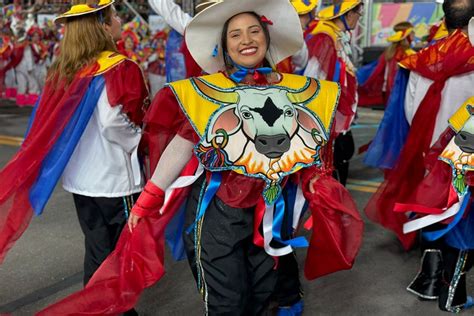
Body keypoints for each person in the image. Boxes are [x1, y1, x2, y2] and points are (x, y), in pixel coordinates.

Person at [37, 0, 363, 314]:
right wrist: (149, 198)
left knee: (263, 298)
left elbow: (305, 148)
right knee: (228, 303)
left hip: (268, 215)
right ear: (224, 46)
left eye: (254, 31)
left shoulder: (295, 89)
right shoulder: (206, 93)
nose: (246, 40)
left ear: (267, 37)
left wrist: (316, 181)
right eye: (235, 34)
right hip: (217, 216)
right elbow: (180, 146)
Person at [0, 0, 149, 304]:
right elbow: (112, 121)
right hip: (114, 178)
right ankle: (111, 307)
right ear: (103, 26)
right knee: (118, 250)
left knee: (96, 246)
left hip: (81, 178)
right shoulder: (118, 67)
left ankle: (96, 304)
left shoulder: (68, 69)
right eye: (114, 17)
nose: (120, 22)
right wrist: (139, 138)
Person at [364, 0, 474, 251]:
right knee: (465, 220)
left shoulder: (421, 60)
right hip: (468, 154)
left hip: (429, 155)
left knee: (434, 210)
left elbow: (410, 114)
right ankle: (445, 280)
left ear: (444, 22)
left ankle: (433, 271)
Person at [395, 96, 474, 312]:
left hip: (448, 183)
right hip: (463, 189)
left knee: (447, 236)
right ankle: (451, 299)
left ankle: (430, 285)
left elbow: (445, 142)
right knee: (462, 244)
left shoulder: (470, 103)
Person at [303, 0, 363, 186]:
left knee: (343, 153)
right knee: (336, 156)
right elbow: (313, 77)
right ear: (348, 14)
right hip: (326, 113)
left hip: (337, 111)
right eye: (357, 14)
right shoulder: (325, 37)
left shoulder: (336, 37)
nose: (359, 18)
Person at [357, 21, 416, 108]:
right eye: (412, 33)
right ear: (407, 36)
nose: (414, 35)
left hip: (388, 90)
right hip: (399, 91)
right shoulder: (404, 53)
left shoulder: (390, 51)